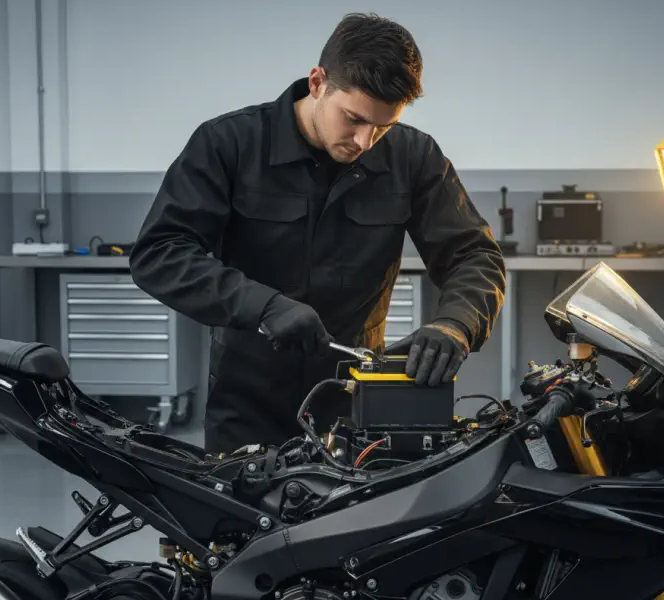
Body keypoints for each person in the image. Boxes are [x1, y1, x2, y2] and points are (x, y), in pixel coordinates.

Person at [129, 13, 507, 454]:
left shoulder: (413, 156)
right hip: (247, 400)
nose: (365, 142)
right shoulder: (228, 143)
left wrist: (455, 326)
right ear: (317, 82)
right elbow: (160, 252)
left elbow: (475, 255)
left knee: (358, 522)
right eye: (353, 119)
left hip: (356, 402)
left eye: (382, 127)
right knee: (246, 522)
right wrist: (264, 306)